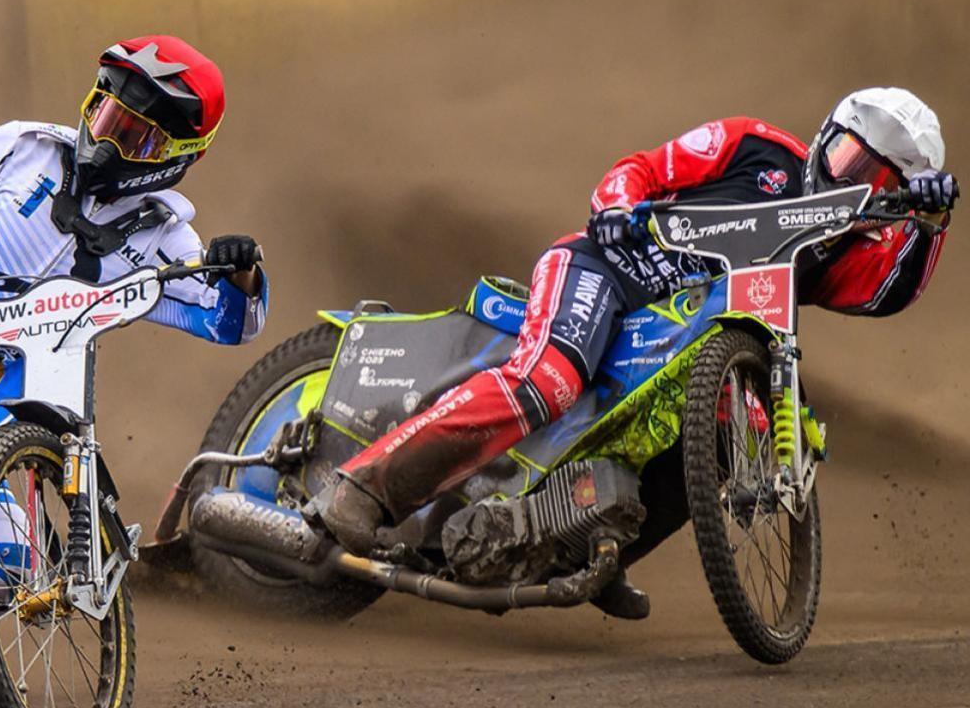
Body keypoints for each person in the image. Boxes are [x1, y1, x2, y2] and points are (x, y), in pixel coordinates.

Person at [310, 88, 956, 616]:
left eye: (881, 181)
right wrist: (617, 207)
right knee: (551, 382)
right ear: (825, 136)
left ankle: (595, 550)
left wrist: (931, 226)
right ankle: (364, 490)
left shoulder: (840, 249)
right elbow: (644, 169)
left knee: (730, 435)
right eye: (850, 160)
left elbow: (888, 293)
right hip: (607, 272)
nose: (856, 182)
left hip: (681, 342)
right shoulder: (757, 148)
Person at [0, 35, 268, 346]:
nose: (106, 145)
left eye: (134, 139)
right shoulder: (23, 147)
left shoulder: (162, 235)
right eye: (107, 119)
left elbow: (231, 326)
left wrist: (242, 273)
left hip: (9, 398)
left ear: (180, 156)